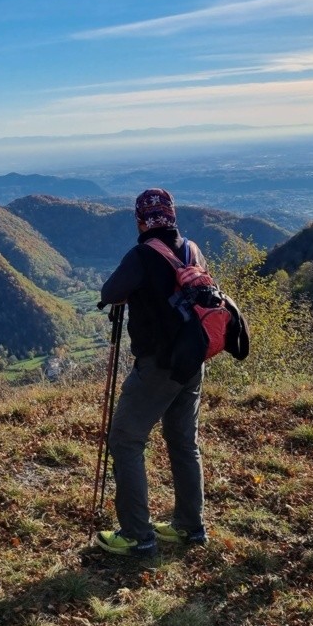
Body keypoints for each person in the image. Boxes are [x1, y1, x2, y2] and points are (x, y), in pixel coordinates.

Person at [95, 188, 241, 557]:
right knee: (183, 443)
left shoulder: (142, 255)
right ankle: (190, 527)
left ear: (140, 221)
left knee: (126, 440)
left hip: (158, 364)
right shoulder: (192, 249)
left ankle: (136, 535)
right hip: (192, 360)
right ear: (172, 216)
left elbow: (110, 291)